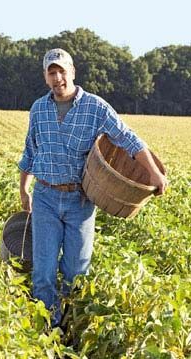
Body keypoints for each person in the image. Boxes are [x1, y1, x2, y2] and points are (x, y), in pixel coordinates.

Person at [18, 48, 167, 328]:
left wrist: (155, 173)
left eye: (62, 71)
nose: (58, 77)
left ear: (72, 72)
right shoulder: (39, 108)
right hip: (46, 197)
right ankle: (46, 329)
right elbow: (30, 150)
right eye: (52, 72)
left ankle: (67, 320)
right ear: (45, 77)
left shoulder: (95, 107)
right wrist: (24, 189)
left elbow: (128, 139)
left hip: (80, 200)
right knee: (43, 272)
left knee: (77, 271)